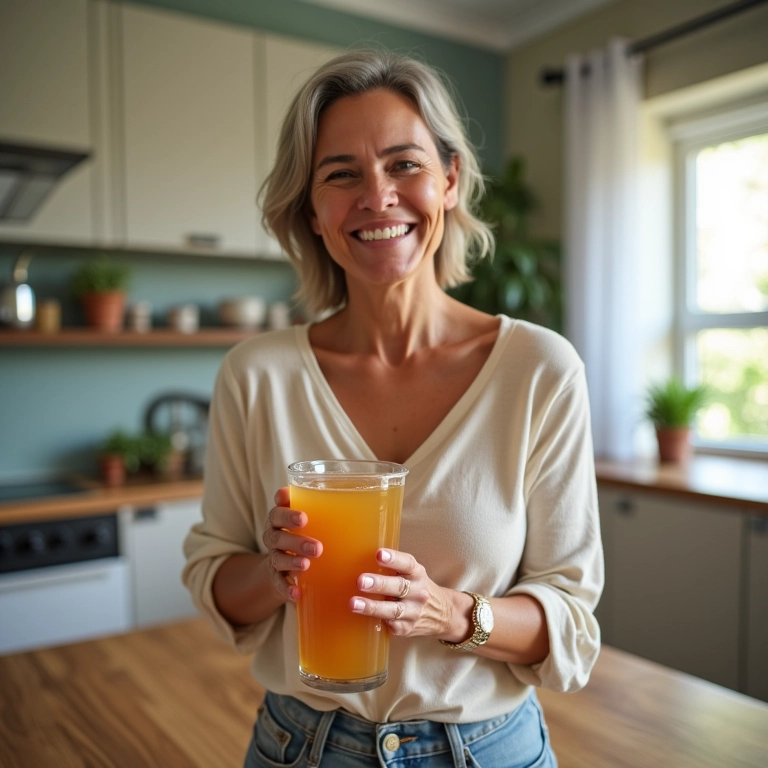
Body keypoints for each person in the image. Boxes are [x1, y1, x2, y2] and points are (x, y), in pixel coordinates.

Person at [183, 48, 603, 768]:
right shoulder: (255, 375)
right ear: (312, 211)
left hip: (487, 748)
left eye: (404, 164)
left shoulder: (538, 369)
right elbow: (215, 580)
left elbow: (569, 623)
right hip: (301, 746)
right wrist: (274, 575)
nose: (377, 197)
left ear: (449, 180)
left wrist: (448, 611)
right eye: (341, 174)